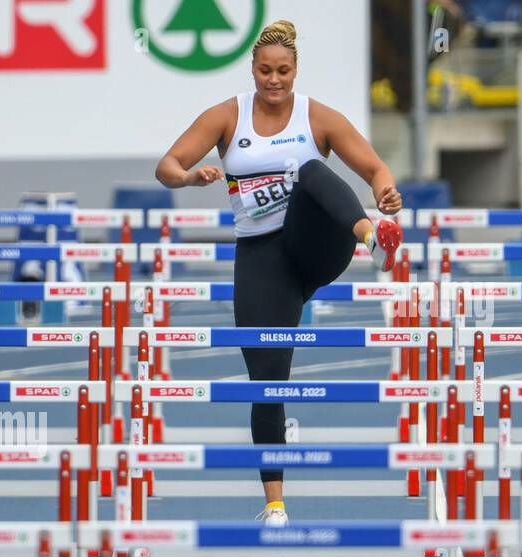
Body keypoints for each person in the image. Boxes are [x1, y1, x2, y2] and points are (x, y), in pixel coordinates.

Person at [156, 19, 403, 527]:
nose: (274, 81)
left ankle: (371, 237)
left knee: (309, 169)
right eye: (265, 71)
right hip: (261, 258)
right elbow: (167, 164)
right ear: (252, 70)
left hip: (318, 244)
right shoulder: (228, 117)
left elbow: (376, 170)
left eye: (283, 72)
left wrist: (385, 195)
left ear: (296, 71)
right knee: (267, 381)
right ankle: (274, 503)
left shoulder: (318, 117)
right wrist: (189, 176)